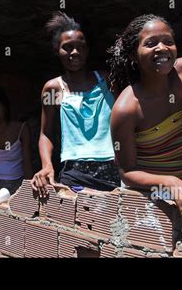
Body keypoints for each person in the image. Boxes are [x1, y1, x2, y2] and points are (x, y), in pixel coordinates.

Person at [107, 14, 182, 249]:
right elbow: (127, 172)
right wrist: (172, 183)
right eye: (151, 43)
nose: (162, 48)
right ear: (133, 56)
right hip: (149, 196)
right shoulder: (126, 108)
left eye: (168, 41)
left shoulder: (181, 73)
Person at [31, 12, 120, 197]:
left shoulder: (107, 80)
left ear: (87, 50)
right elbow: (46, 133)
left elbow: (126, 119)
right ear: (58, 51)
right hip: (74, 171)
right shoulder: (53, 88)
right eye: (67, 47)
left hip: (113, 167)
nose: (74, 52)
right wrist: (47, 166)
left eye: (80, 47)